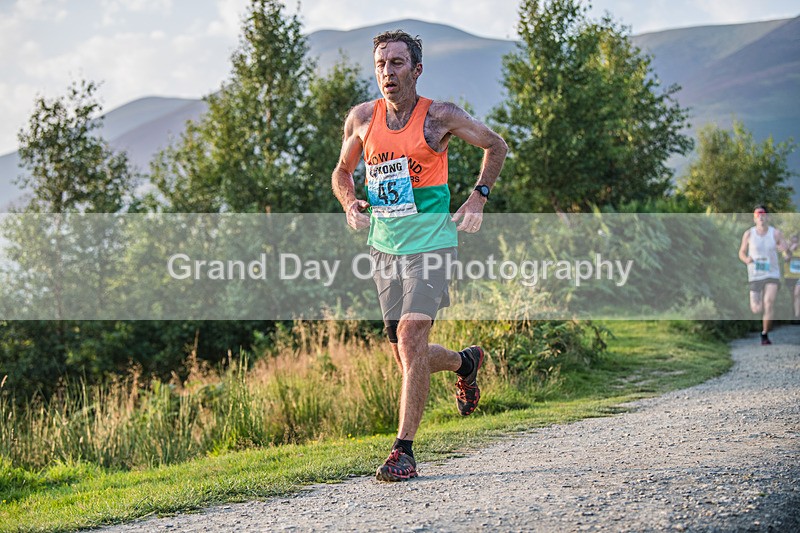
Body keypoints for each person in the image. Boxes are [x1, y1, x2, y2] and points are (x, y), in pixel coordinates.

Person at [331, 30, 507, 482]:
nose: (387, 72)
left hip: (432, 243)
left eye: (397, 63)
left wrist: (478, 197)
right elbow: (342, 171)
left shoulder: (439, 117)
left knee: (411, 337)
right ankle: (466, 363)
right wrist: (350, 203)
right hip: (384, 247)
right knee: (408, 357)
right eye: (381, 64)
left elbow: (496, 145)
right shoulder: (362, 119)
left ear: (417, 69)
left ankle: (403, 452)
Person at [738, 205, 788, 345]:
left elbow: (786, 251)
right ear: (754, 218)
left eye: (763, 214)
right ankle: (765, 318)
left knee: (769, 302)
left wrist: (785, 252)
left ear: (767, 217)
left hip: (772, 273)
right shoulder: (749, 234)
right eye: (757, 215)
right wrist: (746, 259)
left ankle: (764, 333)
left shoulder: (775, 233)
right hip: (755, 274)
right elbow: (741, 252)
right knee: (756, 309)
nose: (760, 217)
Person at [783, 234, 800, 322]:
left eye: (796, 242)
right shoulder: (786, 251)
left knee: (797, 294)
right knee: (791, 296)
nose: (794, 243)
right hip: (789, 277)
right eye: (792, 242)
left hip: (798, 277)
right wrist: (791, 250)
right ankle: (790, 315)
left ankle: (797, 316)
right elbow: (786, 259)